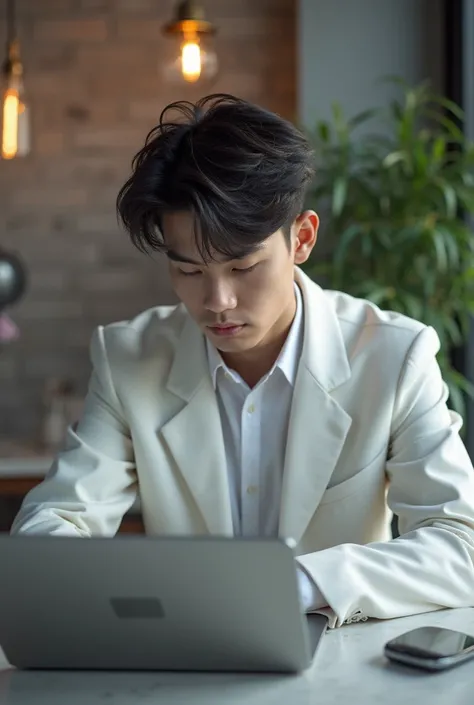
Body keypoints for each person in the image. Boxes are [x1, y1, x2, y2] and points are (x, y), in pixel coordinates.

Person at [11, 94, 474, 629]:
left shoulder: (393, 356)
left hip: (341, 667)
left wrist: (292, 586)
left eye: (244, 267)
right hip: (187, 657)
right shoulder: (129, 359)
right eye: (189, 272)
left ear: (301, 237)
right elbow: (54, 525)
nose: (217, 302)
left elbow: (460, 545)